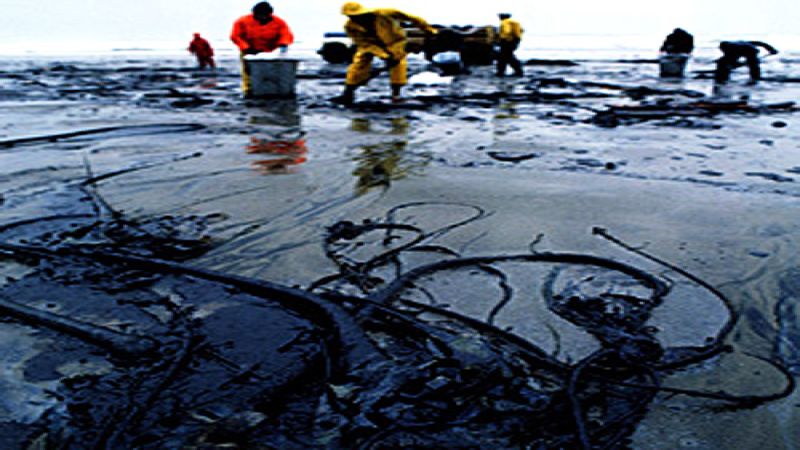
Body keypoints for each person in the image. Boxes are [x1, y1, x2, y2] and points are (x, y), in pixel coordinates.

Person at [331, 2, 438, 105]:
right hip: (372, 45)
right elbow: (365, 44)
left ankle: (396, 95)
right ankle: (348, 92)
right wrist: (385, 56)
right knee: (359, 63)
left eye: (358, 15)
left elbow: (412, 18)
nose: (356, 18)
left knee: (398, 62)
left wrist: (428, 30)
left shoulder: (385, 13)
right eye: (352, 16)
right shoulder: (350, 27)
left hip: (394, 41)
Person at [230, 2, 294, 97]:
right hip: (249, 51)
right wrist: (246, 48)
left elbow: (286, 34)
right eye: (259, 15)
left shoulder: (279, 22)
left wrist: (283, 44)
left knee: (273, 71)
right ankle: (249, 91)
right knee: (249, 72)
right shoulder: (242, 21)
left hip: (270, 52)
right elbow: (235, 36)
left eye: (264, 15)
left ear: (269, 14)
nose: (262, 17)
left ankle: (274, 89)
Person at [496, 13, 524, 77]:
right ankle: (517, 71)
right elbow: (521, 30)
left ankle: (502, 72)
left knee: (505, 57)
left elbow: (507, 31)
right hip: (515, 41)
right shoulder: (515, 23)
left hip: (507, 42)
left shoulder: (504, 22)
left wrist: (501, 39)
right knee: (506, 56)